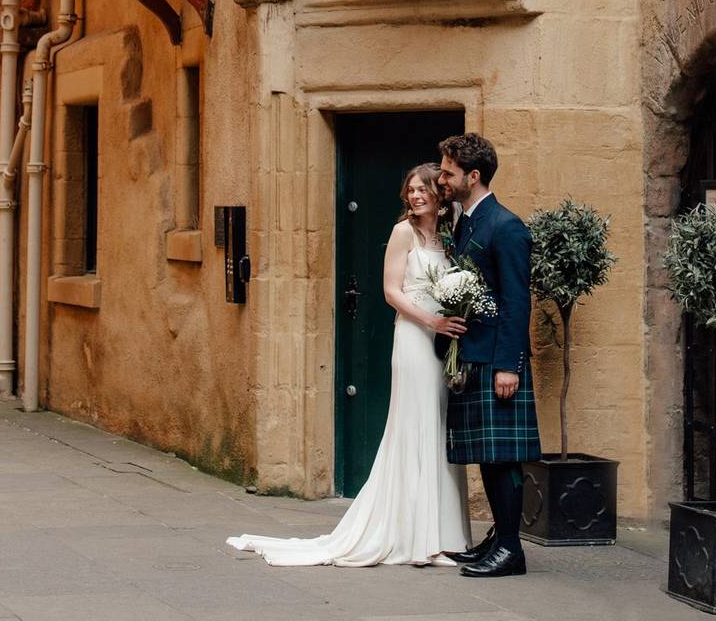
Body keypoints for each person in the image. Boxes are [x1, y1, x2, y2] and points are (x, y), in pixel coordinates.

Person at [227, 163, 472, 567]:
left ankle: (445, 536)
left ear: (438, 193)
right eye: (410, 190)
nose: (415, 196)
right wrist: (431, 321)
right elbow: (391, 292)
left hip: (444, 341)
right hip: (414, 337)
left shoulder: (450, 233)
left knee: (439, 427)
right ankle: (416, 538)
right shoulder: (402, 232)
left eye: (422, 189)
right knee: (415, 426)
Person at [435, 133, 541, 578]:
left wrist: (507, 367)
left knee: (502, 459)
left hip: (496, 360)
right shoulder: (465, 222)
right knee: (487, 456)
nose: (442, 179)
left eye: (448, 173)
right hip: (472, 354)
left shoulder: (507, 225)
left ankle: (512, 550)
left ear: (472, 176)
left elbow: (518, 302)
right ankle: (499, 539)